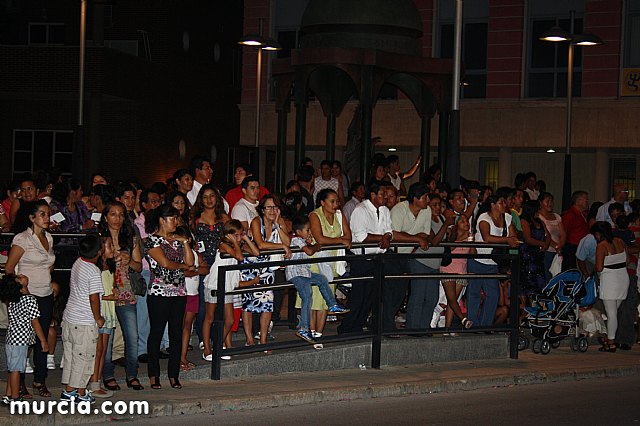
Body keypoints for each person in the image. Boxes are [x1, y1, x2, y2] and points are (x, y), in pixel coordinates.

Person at [337, 181, 404, 334]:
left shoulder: (385, 210)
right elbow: (361, 236)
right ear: (373, 195)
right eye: (382, 194)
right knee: (358, 296)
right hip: (362, 259)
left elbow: (389, 230)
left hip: (378, 258)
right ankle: (347, 328)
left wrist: (386, 237)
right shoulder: (360, 210)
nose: (385, 197)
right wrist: (383, 238)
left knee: (370, 297)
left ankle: (359, 326)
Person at [4, 200, 55, 398]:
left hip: (45, 293)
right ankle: (20, 383)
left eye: (48, 214)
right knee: (25, 340)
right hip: (27, 294)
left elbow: (49, 263)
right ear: (32, 218)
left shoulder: (49, 238)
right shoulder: (22, 238)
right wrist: (20, 290)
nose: (46, 218)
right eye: (42, 214)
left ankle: (39, 380)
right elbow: (9, 268)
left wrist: (49, 280)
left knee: (43, 338)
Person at [144, 204, 195, 389]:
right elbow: (165, 263)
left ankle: (174, 374)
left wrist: (185, 242)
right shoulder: (150, 241)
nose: (176, 222)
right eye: (172, 218)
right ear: (162, 220)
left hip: (179, 291)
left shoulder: (177, 240)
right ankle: (153, 374)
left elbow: (191, 261)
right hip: (159, 292)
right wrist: (182, 267)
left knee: (176, 333)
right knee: (156, 332)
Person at [99, 201, 144, 392]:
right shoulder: (99, 238)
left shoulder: (130, 236)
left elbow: (139, 266)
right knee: (106, 336)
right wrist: (108, 258)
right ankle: (108, 375)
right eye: (113, 214)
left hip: (126, 290)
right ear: (106, 217)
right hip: (107, 291)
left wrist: (129, 260)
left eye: (120, 215)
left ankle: (132, 374)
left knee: (132, 336)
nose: (117, 219)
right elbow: (91, 263)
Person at [202, 220, 259, 360]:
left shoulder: (239, 245)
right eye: (236, 235)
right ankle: (207, 350)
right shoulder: (223, 245)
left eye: (240, 235)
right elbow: (238, 256)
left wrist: (245, 238)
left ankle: (218, 344)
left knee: (230, 319)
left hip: (227, 287)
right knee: (209, 318)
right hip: (214, 285)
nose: (239, 238)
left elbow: (256, 253)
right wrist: (234, 242)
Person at [287, 215, 349, 343]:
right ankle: (304, 328)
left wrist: (312, 244)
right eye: (307, 230)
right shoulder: (296, 240)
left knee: (321, 279)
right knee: (307, 296)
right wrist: (316, 246)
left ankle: (332, 304)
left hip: (305, 273)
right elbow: (310, 252)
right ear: (299, 232)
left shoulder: (303, 241)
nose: (310, 232)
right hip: (297, 274)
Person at [60, 233, 105, 403]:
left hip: (70, 318)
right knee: (84, 357)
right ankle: (71, 392)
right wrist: (98, 317)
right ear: (98, 252)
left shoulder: (77, 263)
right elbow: (93, 298)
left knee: (71, 356)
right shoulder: (93, 271)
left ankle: (77, 391)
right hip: (84, 321)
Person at [243, 195, 291, 346]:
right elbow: (260, 244)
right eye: (268, 207)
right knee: (249, 302)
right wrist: (281, 247)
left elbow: (288, 242)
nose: (272, 210)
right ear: (262, 209)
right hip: (252, 264)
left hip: (269, 266)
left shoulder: (280, 221)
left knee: (268, 303)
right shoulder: (257, 221)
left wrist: (277, 224)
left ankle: (263, 339)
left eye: (275, 207)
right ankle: (249, 338)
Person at [305, 188, 353, 337]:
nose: (335, 205)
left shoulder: (339, 215)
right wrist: (339, 240)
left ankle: (319, 333)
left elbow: (348, 236)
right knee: (313, 298)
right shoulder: (314, 215)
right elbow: (320, 239)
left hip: (332, 261)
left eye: (337, 201)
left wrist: (341, 240)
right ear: (322, 202)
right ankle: (311, 332)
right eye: (332, 201)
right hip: (315, 260)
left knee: (326, 297)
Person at [468, 195, 519, 328]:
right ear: (492, 204)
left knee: (493, 294)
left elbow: (513, 236)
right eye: (501, 202)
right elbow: (487, 237)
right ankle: (473, 324)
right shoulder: (484, 218)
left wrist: (511, 239)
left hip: (493, 262)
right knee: (475, 293)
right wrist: (506, 240)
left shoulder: (507, 218)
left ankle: (485, 324)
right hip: (478, 260)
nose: (504, 205)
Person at [389, 183, 433, 332]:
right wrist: (417, 239)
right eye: (426, 197)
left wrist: (413, 238)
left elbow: (425, 235)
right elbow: (394, 235)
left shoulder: (427, 211)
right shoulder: (399, 209)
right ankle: (385, 325)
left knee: (401, 293)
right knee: (392, 292)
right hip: (392, 254)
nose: (428, 200)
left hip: (407, 255)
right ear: (415, 199)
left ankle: (388, 324)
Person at [192, 184, 230, 351]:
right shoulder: (194, 218)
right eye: (205, 196)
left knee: (220, 304)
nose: (209, 200)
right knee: (203, 304)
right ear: (201, 199)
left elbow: (235, 236)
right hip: (203, 263)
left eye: (212, 196)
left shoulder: (223, 218)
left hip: (220, 262)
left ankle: (217, 337)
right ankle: (202, 337)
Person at [0, 274, 48, 405]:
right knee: (16, 370)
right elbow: (35, 322)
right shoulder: (30, 300)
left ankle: (8, 395)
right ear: (20, 288)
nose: (21, 275)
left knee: (12, 368)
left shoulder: (13, 301)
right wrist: (43, 340)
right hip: (20, 340)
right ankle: (15, 398)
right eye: (19, 278)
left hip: (12, 338)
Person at [594, 221, 629, 352]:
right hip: (622, 278)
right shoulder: (620, 241)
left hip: (610, 280)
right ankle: (609, 337)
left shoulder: (602, 245)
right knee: (613, 312)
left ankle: (611, 341)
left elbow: (598, 267)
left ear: (598, 234)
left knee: (611, 313)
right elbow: (627, 260)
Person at [177, 225, 208, 369]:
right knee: (180, 325)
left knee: (187, 326)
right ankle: (177, 357)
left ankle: (182, 358)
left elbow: (204, 268)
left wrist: (193, 270)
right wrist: (194, 270)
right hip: (181, 293)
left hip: (193, 293)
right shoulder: (176, 254)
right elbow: (184, 272)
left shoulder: (195, 254)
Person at [440, 215, 475, 330]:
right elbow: (448, 249)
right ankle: (463, 319)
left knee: (453, 301)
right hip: (448, 269)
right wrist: (460, 239)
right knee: (452, 299)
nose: (466, 223)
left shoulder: (469, 237)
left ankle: (447, 329)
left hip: (461, 271)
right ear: (456, 224)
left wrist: (471, 242)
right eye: (463, 221)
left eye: (467, 221)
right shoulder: (451, 235)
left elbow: (473, 255)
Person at [519, 200, 550, 295]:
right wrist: (542, 243)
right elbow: (528, 238)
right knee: (529, 281)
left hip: (538, 254)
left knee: (540, 280)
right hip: (528, 254)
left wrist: (546, 243)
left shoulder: (539, 221)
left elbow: (547, 234)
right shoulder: (524, 221)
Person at [538, 192, 566, 282]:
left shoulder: (556, 216)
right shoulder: (539, 217)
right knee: (547, 276)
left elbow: (563, 233)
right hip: (547, 251)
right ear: (541, 203)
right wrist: (555, 246)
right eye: (547, 201)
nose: (550, 203)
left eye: (551, 201)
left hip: (557, 251)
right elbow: (545, 235)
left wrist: (560, 245)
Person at [562, 191, 590, 270]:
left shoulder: (584, 214)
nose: (588, 202)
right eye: (586, 200)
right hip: (572, 248)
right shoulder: (570, 215)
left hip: (582, 247)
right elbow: (564, 232)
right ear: (578, 201)